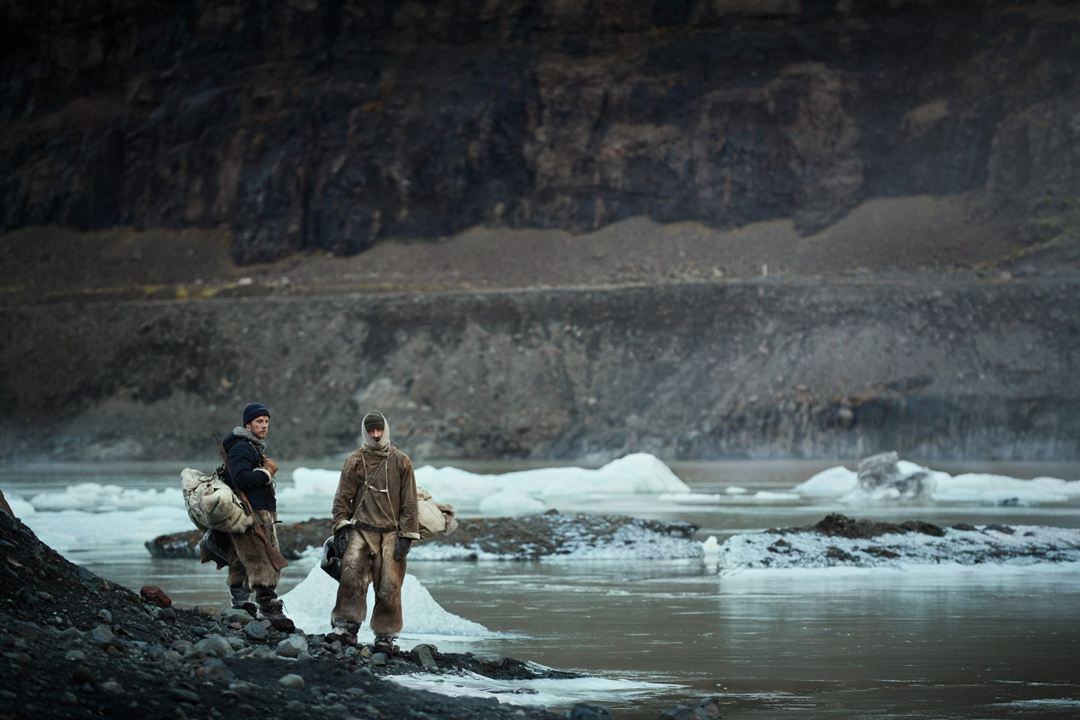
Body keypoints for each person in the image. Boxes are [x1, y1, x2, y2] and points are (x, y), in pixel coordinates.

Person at [328, 410, 420, 652]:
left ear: (386, 429)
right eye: (371, 431)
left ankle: (386, 635)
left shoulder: (401, 461)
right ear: (365, 432)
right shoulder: (354, 460)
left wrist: (407, 536)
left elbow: (410, 502)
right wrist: (340, 527)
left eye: (379, 430)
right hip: (360, 530)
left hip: (391, 533)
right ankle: (346, 627)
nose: (376, 435)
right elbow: (342, 498)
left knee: (389, 585)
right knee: (351, 578)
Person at [219, 402, 293, 630]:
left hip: (251, 512)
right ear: (247, 424)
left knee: (242, 559)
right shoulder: (242, 448)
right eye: (259, 421)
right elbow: (240, 478)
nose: (264, 425)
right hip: (252, 513)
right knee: (262, 558)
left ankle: (241, 607)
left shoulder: (250, 446)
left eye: (266, 421)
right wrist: (267, 472)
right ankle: (270, 609)